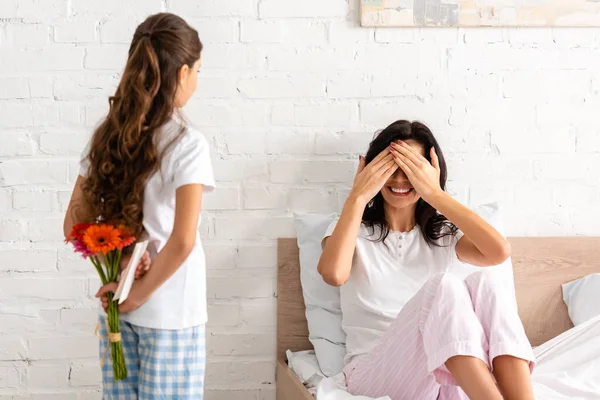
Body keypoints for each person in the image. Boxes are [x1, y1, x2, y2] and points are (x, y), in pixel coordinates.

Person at [318, 120, 535, 400]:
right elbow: (334, 274)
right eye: (391, 168)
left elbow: (498, 252)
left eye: (411, 169)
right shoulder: (349, 229)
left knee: (487, 282)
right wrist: (358, 195)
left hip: (439, 370)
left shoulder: (444, 234)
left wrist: (434, 193)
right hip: (371, 373)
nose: (399, 180)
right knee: (443, 286)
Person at [63, 13, 214, 399]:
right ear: (182, 74)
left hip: (117, 306)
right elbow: (182, 240)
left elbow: (73, 225)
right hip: (170, 311)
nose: (196, 80)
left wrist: (124, 273)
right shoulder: (187, 143)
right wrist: (139, 292)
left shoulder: (108, 134)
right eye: (197, 70)